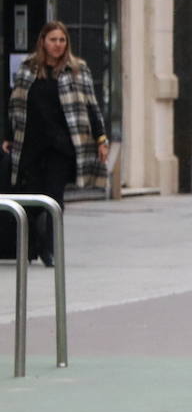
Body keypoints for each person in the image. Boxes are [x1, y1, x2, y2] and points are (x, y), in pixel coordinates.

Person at [3, 21, 110, 266]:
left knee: (54, 197)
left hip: (62, 145)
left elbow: (92, 106)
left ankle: (50, 248)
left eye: (62, 40)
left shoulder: (77, 69)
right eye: (53, 40)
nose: (58, 45)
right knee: (30, 197)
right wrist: (8, 136)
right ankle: (33, 242)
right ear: (43, 41)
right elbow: (15, 105)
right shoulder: (28, 69)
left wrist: (101, 138)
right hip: (31, 144)